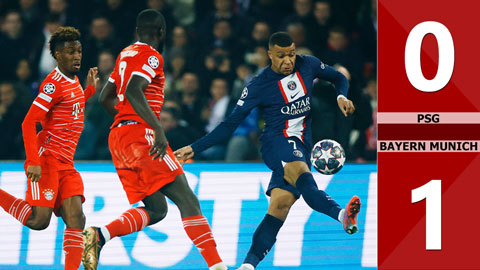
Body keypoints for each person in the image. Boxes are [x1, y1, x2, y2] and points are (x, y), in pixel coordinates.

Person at [175, 32, 361, 270]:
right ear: (270, 55)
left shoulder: (308, 64)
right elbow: (230, 124)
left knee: (279, 208)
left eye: (291, 54)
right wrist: (193, 148)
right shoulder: (259, 85)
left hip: (301, 145)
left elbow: (337, 77)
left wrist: (341, 96)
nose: (288, 61)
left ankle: (248, 265)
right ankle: (342, 216)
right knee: (306, 183)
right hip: (277, 142)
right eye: (281, 56)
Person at [82, 9, 228, 270]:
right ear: (162, 33)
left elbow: (106, 97)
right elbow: (134, 90)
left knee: (157, 209)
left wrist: (126, 119)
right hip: (141, 135)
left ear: (137, 31)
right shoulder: (152, 55)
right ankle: (217, 266)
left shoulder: (124, 54)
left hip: (119, 138)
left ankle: (100, 235)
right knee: (187, 200)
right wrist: (157, 129)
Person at [0, 26, 98, 270]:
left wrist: (88, 92)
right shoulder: (52, 85)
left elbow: (68, 107)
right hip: (46, 161)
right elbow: (28, 122)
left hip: (66, 164)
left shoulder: (74, 80)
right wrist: (33, 160)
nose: (77, 56)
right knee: (38, 221)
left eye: (79, 51)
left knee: (77, 218)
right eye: (70, 52)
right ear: (56, 54)